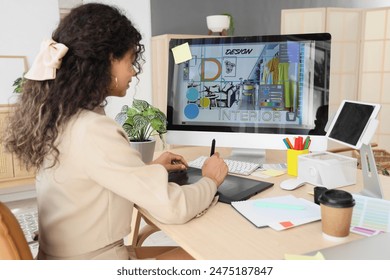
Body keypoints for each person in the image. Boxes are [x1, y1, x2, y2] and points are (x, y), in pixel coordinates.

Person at [3, 3, 228, 260]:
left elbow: (95, 177)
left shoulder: (61, 118)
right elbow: (173, 208)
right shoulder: (92, 129)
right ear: (109, 59)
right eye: (131, 61)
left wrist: (149, 169)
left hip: (66, 260)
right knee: (215, 257)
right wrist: (211, 179)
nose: (133, 72)